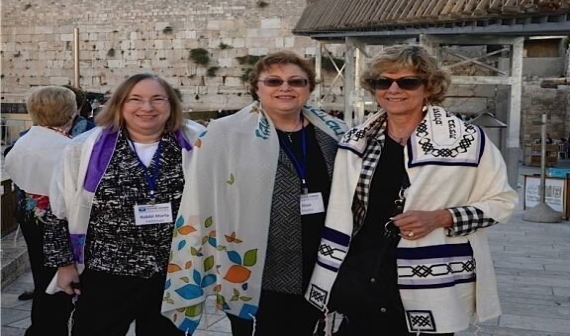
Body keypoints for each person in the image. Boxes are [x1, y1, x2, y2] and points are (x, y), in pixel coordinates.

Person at [304, 45, 518, 335]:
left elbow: (502, 202)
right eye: (383, 81)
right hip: (363, 274)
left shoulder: (468, 141)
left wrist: (441, 218)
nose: (394, 89)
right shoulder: (356, 142)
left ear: (428, 87)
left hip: (431, 278)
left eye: (407, 82)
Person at [162, 51, 347, 335]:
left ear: (309, 88)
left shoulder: (334, 133)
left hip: (317, 261)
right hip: (257, 265)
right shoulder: (225, 133)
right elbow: (203, 194)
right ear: (256, 87)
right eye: (274, 81)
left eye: (296, 82)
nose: (285, 88)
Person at [43, 73, 206, 336]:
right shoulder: (83, 148)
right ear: (120, 104)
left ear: (171, 104)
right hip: (106, 273)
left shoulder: (198, 144)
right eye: (136, 99)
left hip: (172, 272)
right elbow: (59, 210)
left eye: (157, 99)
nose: (147, 107)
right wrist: (64, 265)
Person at [4, 86, 77, 336]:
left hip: (29, 216)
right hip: (56, 223)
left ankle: (41, 327)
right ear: (70, 112)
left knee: (42, 277)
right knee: (58, 285)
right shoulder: (67, 148)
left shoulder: (24, 141)